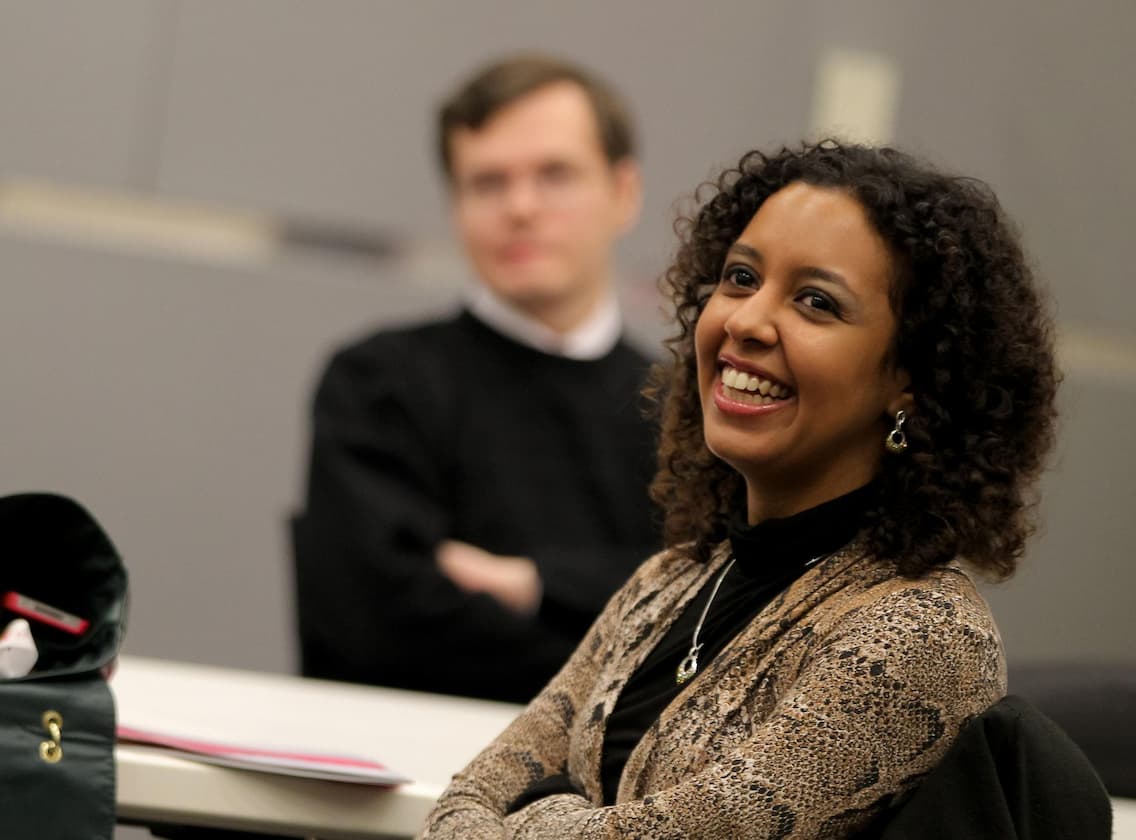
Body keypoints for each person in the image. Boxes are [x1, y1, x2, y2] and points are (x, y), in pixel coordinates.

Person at [420, 141, 1059, 837]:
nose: (747, 321)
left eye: (816, 302)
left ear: (911, 376)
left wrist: (544, 806)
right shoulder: (671, 583)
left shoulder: (920, 634)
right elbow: (458, 808)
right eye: (740, 277)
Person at [292, 54, 660, 704]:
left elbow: (721, 624)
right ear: (455, 206)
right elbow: (376, 632)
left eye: (555, 175)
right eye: (487, 182)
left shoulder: (685, 413)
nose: (520, 207)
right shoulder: (378, 385)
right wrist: (616, 629)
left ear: (623, 193)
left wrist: (533, 582)